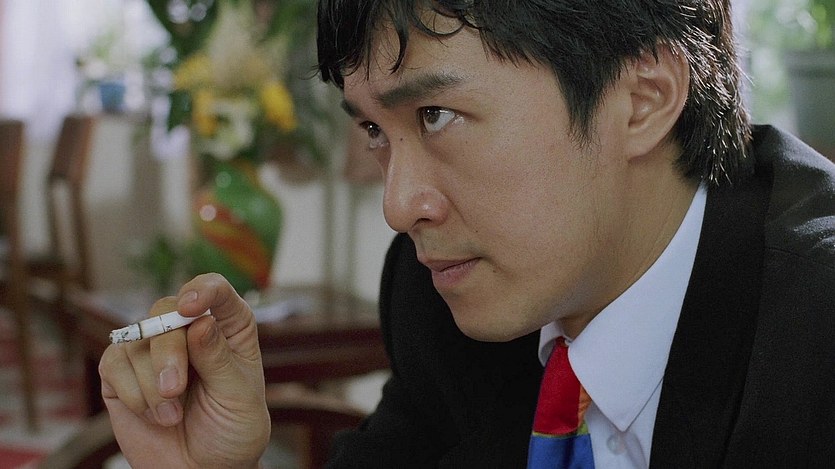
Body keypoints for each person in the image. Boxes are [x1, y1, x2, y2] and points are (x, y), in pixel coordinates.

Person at [99, 0, 835, 467]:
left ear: (642, 99)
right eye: (374, 130)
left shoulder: (814, 333)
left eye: (435, 116)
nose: (399, 207)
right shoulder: (439, 301)